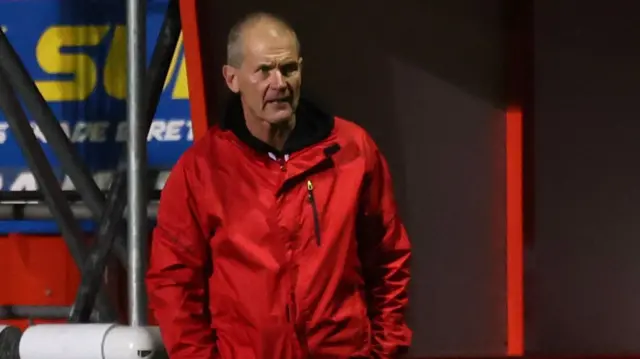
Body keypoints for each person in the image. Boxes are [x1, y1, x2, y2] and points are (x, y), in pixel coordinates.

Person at [146, 12, 412, 359]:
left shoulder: (353, 150)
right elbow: (174, 284)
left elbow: (388, 259)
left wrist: (385, 352)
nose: (279, 83)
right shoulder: (200, 171)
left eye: (288, 69)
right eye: (263, 71)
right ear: (232, 78)